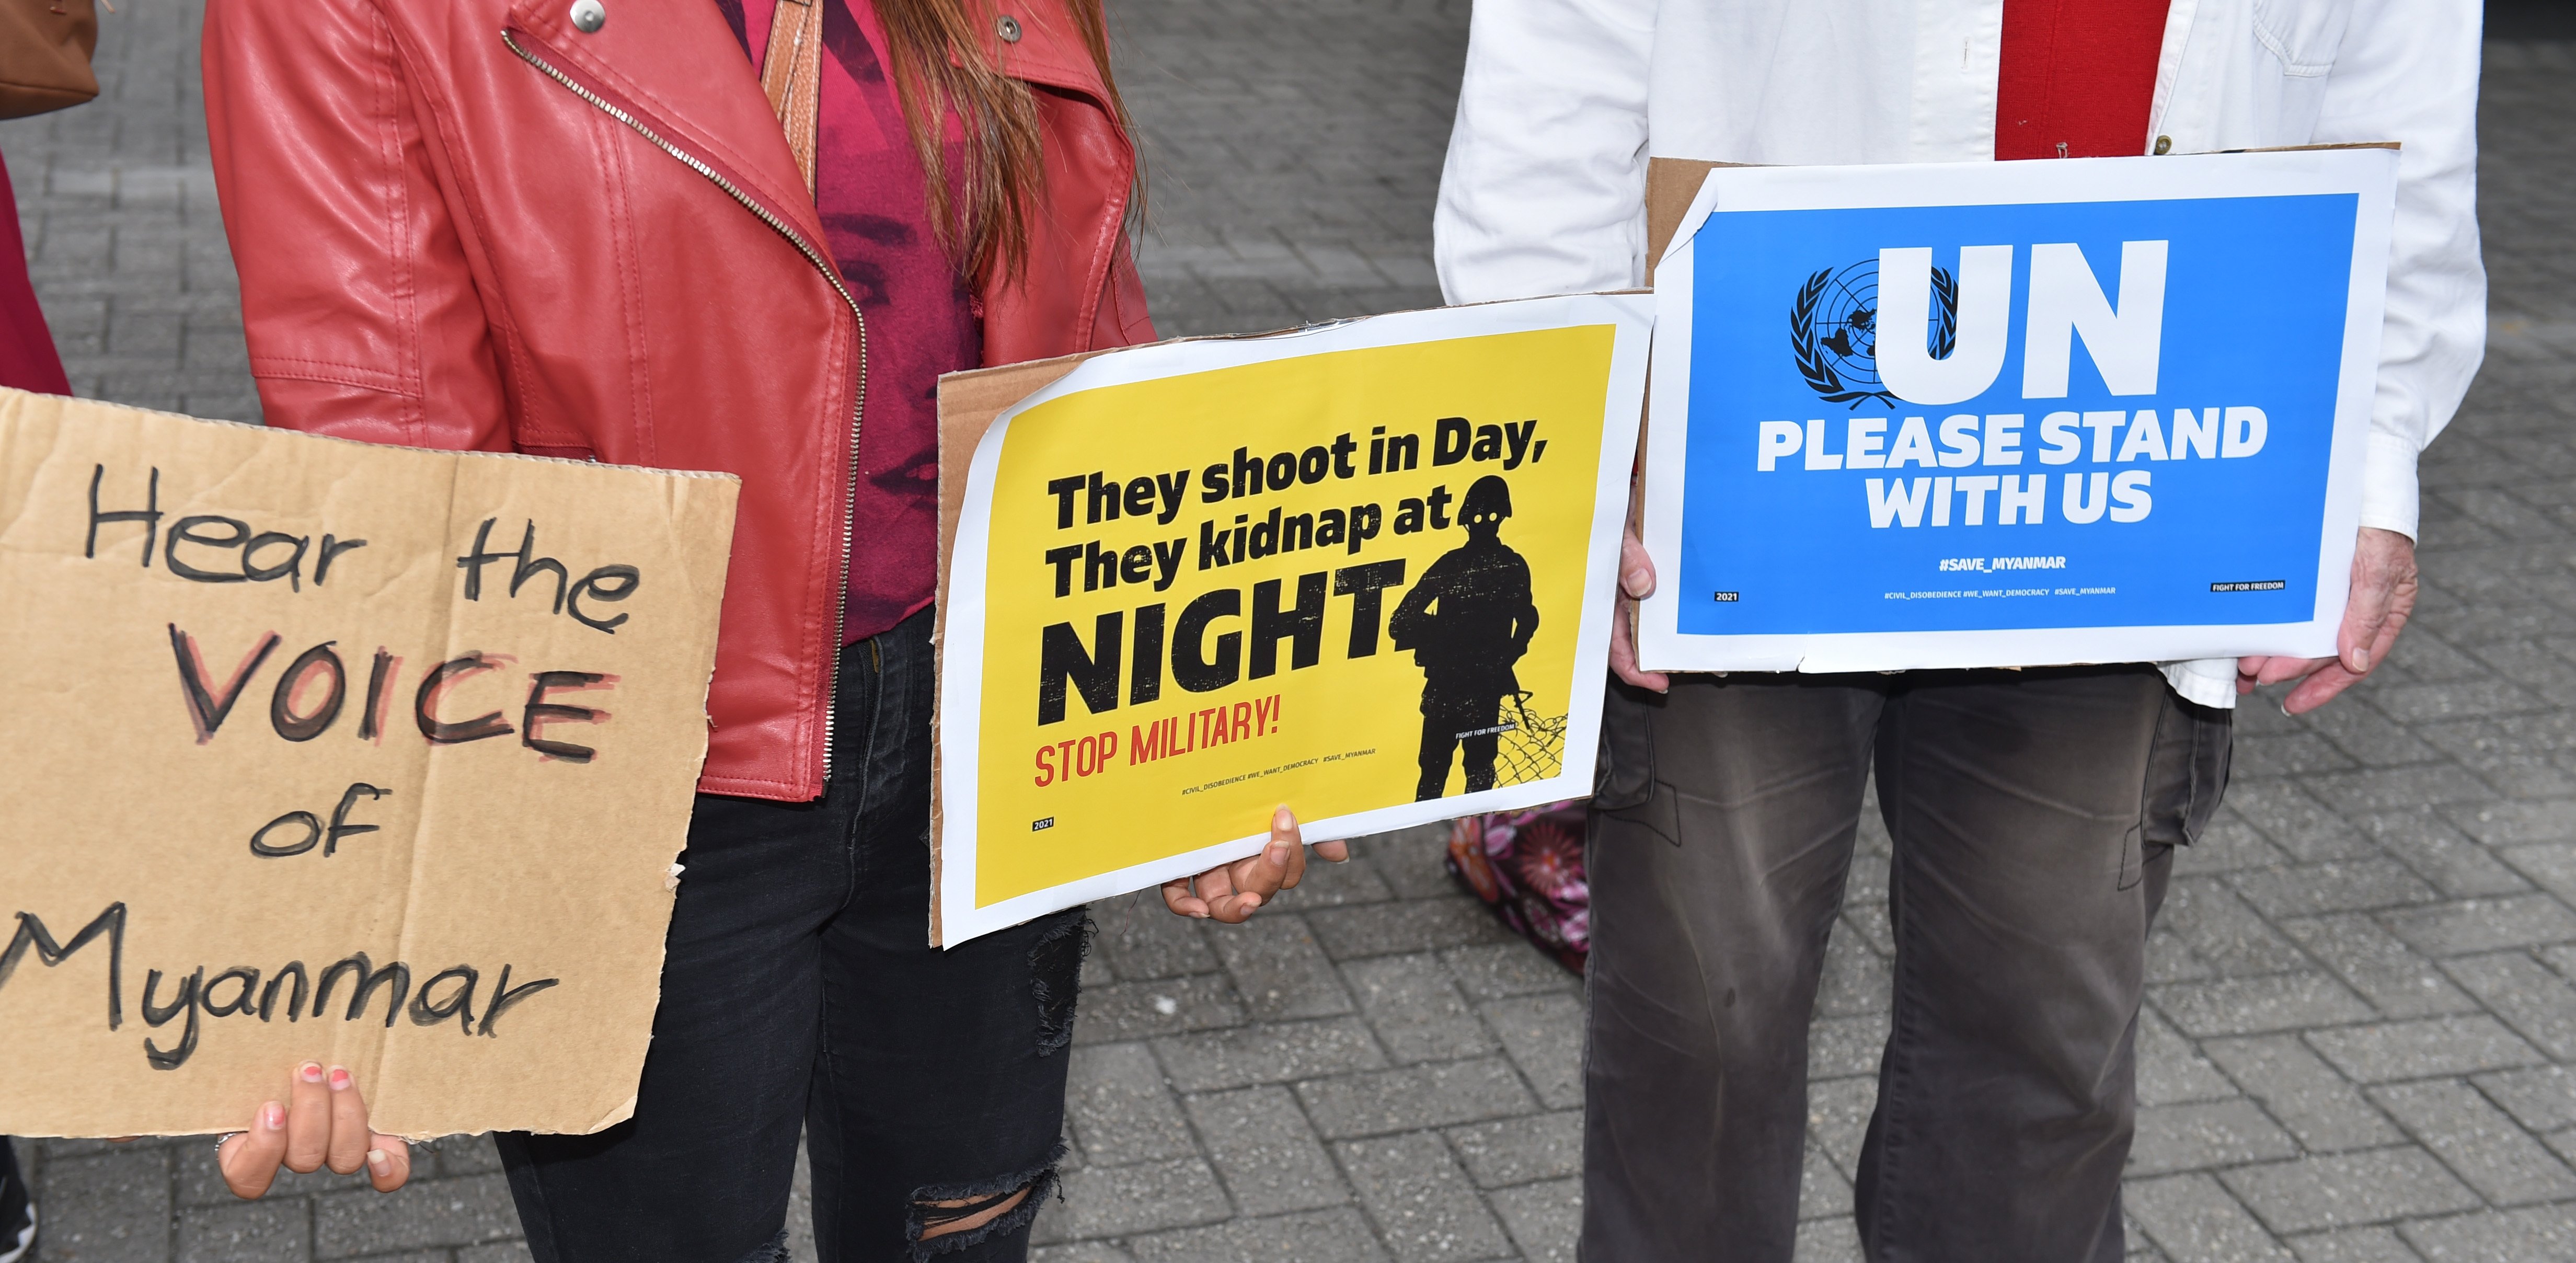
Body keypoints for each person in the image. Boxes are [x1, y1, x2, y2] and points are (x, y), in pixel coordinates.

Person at [198, 0, 1338, 1257]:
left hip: (986, 725)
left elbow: (1080, 306)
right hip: (639, 762)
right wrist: (377, 910)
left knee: (961, 1229)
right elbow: (391, 451)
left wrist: (1182, 728)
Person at [1435, 1, 2483, 1259]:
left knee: (2040, 1063)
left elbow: (2398, 113)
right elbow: (1561, 64)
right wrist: (1565, 441)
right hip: (1734, 467)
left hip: (2123, 476)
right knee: (1700, 1039)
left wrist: (2367, 462)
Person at [1392, 474, 1540, 799]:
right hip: (1452, 686)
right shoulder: (1465, 565)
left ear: (1501, 517)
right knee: (1440, 771)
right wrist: (1438, 639)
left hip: (1477, 690)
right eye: (1478, 518)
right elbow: (1400, 621)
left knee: (1474, 771)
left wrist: (1503, 658)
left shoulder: (1503, 566)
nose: (1484, 524)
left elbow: (1528, 620)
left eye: (1489, 517)